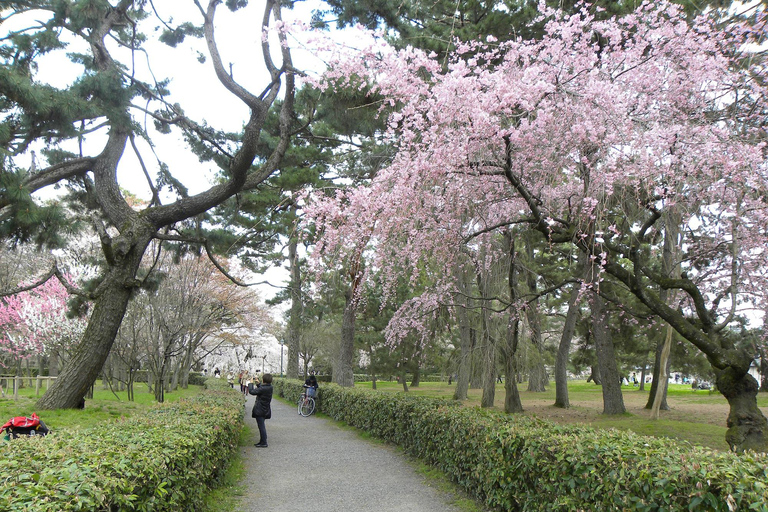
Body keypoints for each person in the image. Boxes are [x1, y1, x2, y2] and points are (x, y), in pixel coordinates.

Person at [248, 373, 273, 448]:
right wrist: (258, 383)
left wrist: (251, 383)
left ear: (264, 380)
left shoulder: (264, 388)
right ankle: (262, 441)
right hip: (265, 409)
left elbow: (252, 392)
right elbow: (262, 389)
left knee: (261, 427)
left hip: (260, 410)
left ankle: (264, 442)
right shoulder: (270, 387)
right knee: (261, 426)